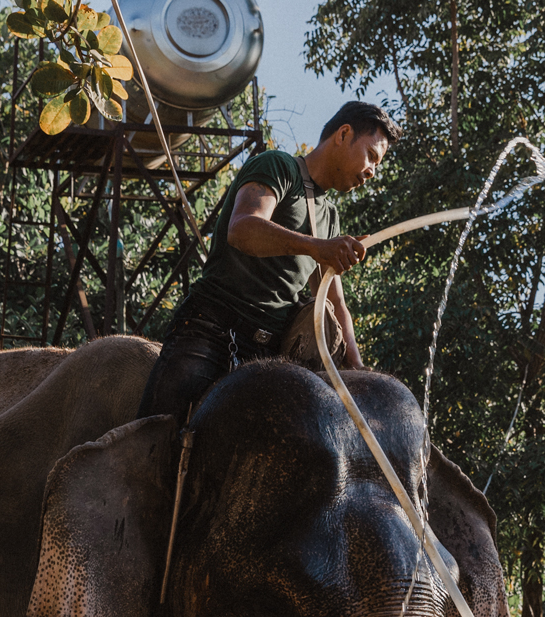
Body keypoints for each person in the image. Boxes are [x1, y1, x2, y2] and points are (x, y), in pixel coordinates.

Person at [138, 101, 400, 427]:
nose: (372, 171)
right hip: (210, 332)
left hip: (269, 358)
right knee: (156, 439)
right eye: (372, 156)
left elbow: (334, 303)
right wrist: (318, 248)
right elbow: (243, 227)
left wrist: (357, 369)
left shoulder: (329, 218)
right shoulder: (278, 167)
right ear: (344, 134)